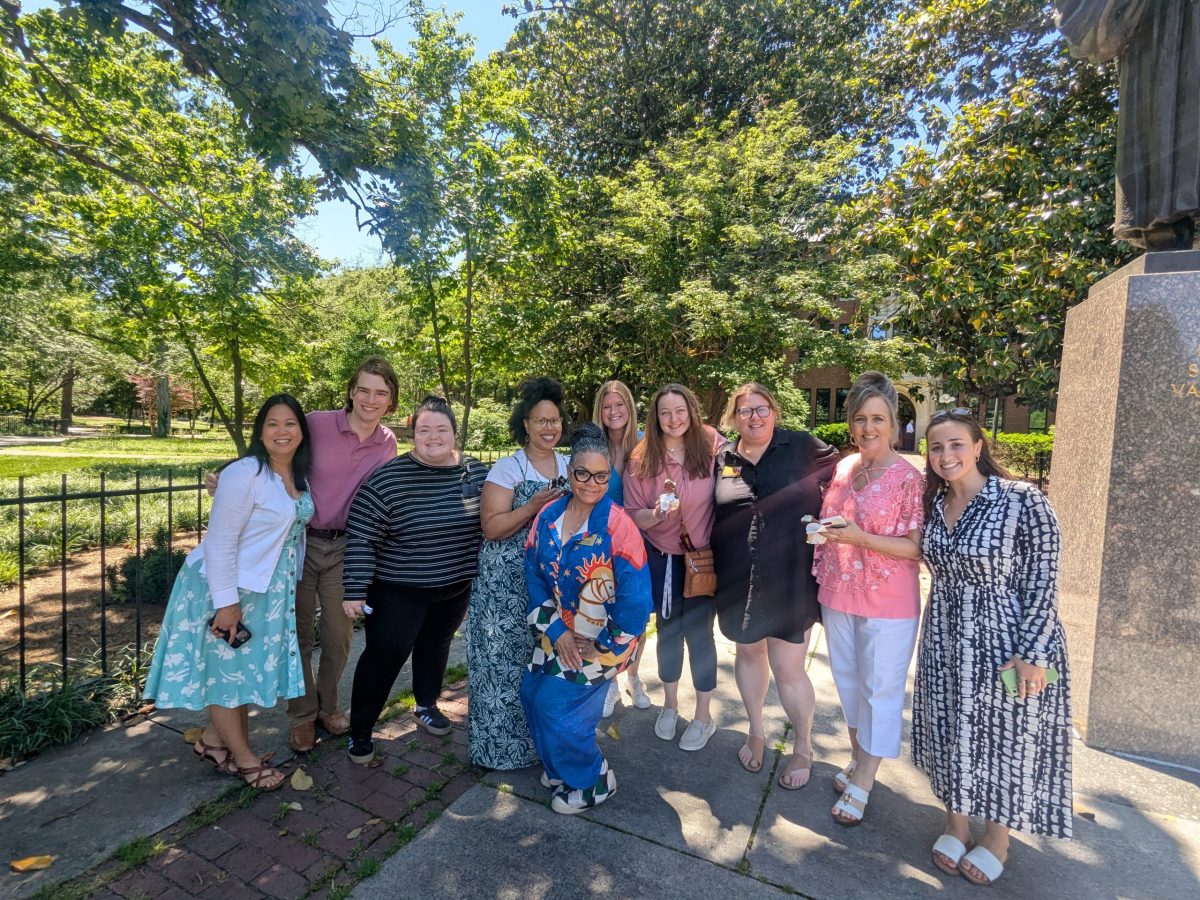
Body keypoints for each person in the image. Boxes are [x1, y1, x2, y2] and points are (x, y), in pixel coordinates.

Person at [206, 357, 399, 753]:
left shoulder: (388, 443)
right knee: (294, 636)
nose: (370, 398)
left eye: (381, 392)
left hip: (346, 546)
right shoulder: (316, 423)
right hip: (296, 543)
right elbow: (277, 447)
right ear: (350, 390)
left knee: (338, 636)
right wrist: (229, 475)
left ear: (391, 400)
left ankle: (330, 707)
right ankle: (302, 716)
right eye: (363, 389)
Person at [914, 409, 1072, 885]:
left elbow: (1045, 581)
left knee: (1007, 737)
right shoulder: (935, 504)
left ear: (978, 446)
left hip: (1006, 640)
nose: (946, 456)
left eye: (956, 444)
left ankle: (997, 837)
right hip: (944, 636)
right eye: (937, 447)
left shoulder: (1021, 500)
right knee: (950, 728)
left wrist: (1034, 652)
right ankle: (956, 822)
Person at [144, 395, 314, 791]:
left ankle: (214, 742)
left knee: (238, 673)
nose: (282, 431)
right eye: (272, 423)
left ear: (302, 431)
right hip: (225, 588)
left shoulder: (295, 475)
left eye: (290, 423)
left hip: (266, 590)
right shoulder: (245, 473)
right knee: (225, 676)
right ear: (260, 431)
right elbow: (219, 543)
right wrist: (227, 604)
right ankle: (245, 760)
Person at [341, 397, 488, 764]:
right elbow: (362, 535)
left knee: (435, 647)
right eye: (424, 430)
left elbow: (498, 514)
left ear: (455, 433)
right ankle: (360, 731)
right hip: (398, 592)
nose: (433, 437)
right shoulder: (389, 478)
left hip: (454, 588)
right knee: (384, 656)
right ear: (413, 435)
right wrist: (355, 589)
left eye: (442, 429)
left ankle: (426, 705)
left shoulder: (475, 473)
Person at [521, 423, 652, 814]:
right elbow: (533, 574)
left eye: (600, 475)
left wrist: (604, 646)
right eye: (582, 473)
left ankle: (593, 780)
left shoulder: (617, 526)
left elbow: (635, 601)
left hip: (600, 644)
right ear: (570, 473)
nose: (591, 483)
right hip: (557, 634)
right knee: (531, 695)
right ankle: (561, 769)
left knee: (556, 705)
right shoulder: (548, 516)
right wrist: (557, 629)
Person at [711, 383, 837, 786]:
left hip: (789, 576)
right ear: (733, 418)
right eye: (745, 411)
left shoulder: (801, 446)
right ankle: (757, 730)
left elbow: (846, 480)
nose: (754, 417)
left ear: (774, 411)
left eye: (761, 409)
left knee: (788, 668)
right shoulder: (723, 457)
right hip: (737, 576)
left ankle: (803, 746)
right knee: (747, 654)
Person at [812, 372, 924, 825]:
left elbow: (915, 547)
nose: (868, 428)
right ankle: (860, 758)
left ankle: (865, 779)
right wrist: (821, 532)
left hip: (889, 601)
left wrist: (860, 538)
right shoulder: (843, 468)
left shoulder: (907, 478)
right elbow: (831, 522)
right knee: (849, 683)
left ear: (894, 424)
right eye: (860, 419)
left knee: (880, 690)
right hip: (838, 592)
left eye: (878, 418)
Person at [465, 377, 569, 769]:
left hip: (549, 581)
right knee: (499, 667)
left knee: (539, 665)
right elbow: (491, 528)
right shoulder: (508, 468)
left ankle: (539, 746)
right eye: (540, 420)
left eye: (555, 420)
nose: (548, 428)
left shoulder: (568, 466)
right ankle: (498, 753)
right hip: (503, 584)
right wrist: (533, 506)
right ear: (525, 424)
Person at [623, 384, 723, 751]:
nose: (674, 419)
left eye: (680, 410)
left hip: (702, 559)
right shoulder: (641, 458)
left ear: (691, 411)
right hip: (663, 558)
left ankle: (703, 716)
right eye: (665, 412)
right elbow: (634, 514)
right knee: (668, 632)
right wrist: (655, 514)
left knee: (701, 636)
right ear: (656, 417)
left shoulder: (710, 443)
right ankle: (670, 706)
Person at [593, 380, 650, 715]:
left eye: (620, 405)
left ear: (629, 408)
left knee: (635, 617)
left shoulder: (644, 445)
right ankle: (610, 682)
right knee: (602, 615)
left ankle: (634, 676)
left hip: (636, 544)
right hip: (599, 544)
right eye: (607, 406)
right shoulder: (592, 446)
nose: (613, 412)